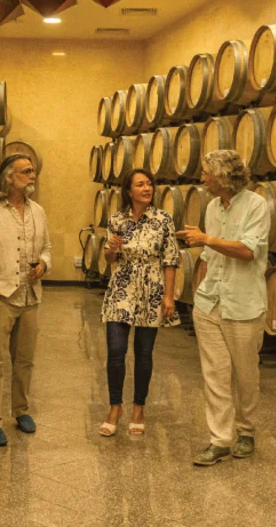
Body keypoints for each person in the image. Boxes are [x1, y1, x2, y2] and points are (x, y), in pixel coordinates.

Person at [177, 150, 270, 466]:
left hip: (244, 304)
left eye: (206, 174)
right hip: (210, 303)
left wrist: (206, 238)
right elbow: (208, 253)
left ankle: (246, 431)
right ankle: (219, 440)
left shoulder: (256, 205)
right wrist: (200, 288)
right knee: (214, 375)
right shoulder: (213, 207)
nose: (202, 179)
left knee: (245, 375)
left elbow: (247, 251)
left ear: (223, 178)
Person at [0, 154, 52, 447]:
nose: (32, 176)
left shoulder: (39, 212)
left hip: (31, 295)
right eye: (27, 171)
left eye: (33, 171)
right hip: (1, 296)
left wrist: (43, 265)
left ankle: (21, 410)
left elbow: (47, 248)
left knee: (25, 360)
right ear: (9, 176)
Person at [99, 168, 180, 437]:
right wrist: (110, 250)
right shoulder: (116, 220)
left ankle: (138, 408)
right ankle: (114, 407)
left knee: (144, 354)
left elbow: (170, 260)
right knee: (116, 351)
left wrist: (168, 296)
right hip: (122, 287)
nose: (147, 189)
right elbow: (111, 260)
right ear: (128, 191)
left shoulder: (163, 219)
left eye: (149, 184)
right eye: (140, 185)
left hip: (152, 289)